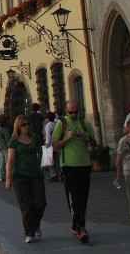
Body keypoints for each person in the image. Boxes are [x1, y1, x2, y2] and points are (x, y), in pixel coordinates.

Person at [52, 99, 96, 244]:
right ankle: (80, 227)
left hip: (84, 164)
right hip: (68, 165)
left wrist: (88, 138)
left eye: (75, 112)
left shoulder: (85, 123)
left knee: (83, 197)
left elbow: (94, 144)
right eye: (70, 112)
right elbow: (55, 146)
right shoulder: (61, 124)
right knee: (74, 198)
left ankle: (76, 225)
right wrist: (67, 138)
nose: (73, 115)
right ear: (66, 111)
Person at [5, 114, 46, 244]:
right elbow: (10, 160)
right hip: (20, 176)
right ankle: (29, 233)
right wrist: (8, 179)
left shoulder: (35, 138)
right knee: (26, 205)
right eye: (24, 124)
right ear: (18, 126)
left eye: (28, 124)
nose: (26, 127)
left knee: (40, 203)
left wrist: (37, 160)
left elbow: (40, 152)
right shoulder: (14, 141)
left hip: (36, 175)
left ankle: (35, 224)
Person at [43, 111, 60, 181]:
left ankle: (53, 174)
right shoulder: (57, 123)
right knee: (56, 160)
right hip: (57, 143)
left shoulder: (48, 125)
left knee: (50, 160)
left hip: (50, 144)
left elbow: (48, 136)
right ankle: (59, 173)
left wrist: (47, 144)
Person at [0, 112, 11, 182]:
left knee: (1, 162)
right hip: (5, 147)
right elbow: (8, 139)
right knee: (7, 162)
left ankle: (1, 176)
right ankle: (8, 176)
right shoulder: (5, 129)